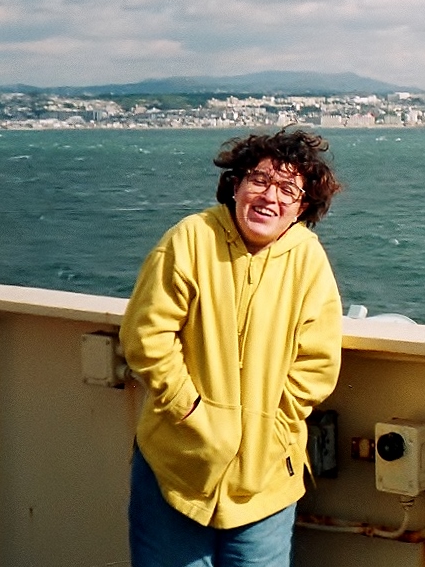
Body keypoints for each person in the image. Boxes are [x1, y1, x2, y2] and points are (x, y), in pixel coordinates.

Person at [120, 128, 344, 566]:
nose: (269, 197)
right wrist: (188, 409)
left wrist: (274, 426)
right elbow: (147, 336)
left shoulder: (308, 260)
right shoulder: (191, 239)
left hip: (265, 480)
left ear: (302, 207)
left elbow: (317, 360)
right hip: (178, 465)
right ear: (235, 185)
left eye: (287, 189)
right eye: (258, 180)